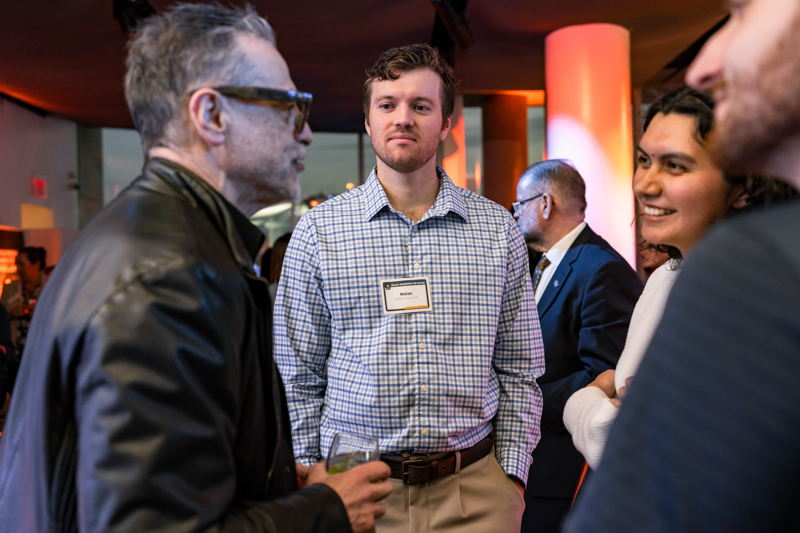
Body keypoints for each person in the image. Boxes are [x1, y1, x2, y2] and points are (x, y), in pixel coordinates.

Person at [0, 5, 391, 532]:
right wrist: (324, 511)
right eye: (289, 106)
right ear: (210, 116)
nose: (306, 133)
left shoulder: (153, 238)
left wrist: (268, 484)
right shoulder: (170, 276)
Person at [275, 43, 544, 533]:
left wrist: (512, 476)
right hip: (353, 488)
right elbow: (296, 373)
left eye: (421, 106)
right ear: (368, 121)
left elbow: (521, 366)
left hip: (476, 490)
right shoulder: (319, 233)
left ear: (445, 125)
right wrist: (313, 477)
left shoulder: (497, 230)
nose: (403, 118)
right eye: (387, 105)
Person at [565, 0, 800, 530]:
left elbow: (638, 462)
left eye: (675, 165)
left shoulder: (748, 275)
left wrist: (585, 404)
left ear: (740, 187)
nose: (646, 183)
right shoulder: (665, 282)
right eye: (645, 160)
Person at [513, 160, 642, 533]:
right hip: (540, 465)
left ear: (545, 204)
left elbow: (603, 375)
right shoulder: (551, 263)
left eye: (520, 205)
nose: (516, 214)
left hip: (565, 471)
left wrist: (519, 397)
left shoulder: (600, 268)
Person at [0, 247, 48, 365]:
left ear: (36, 265)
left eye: (21, 264)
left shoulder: (51, 287)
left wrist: (40, 313)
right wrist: (10, 314)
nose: (18, 269)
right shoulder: (9, 288)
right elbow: (1, 318)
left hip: (42, 350)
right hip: (16, 352)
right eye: (17, 264)